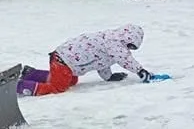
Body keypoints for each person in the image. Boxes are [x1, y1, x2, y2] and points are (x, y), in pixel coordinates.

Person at [16, 24, 160, 96]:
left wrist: (108, 77)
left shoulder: (109, 42)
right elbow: (124, 59)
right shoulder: (114, 43)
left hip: (64, 60)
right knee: (58, 87)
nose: (129, 50)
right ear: (127, 39)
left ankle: (31, 74)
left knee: (71, 80)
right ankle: (20, 86)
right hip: (64, 60)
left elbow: (102, 62)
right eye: (130, 46)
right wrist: (141, 71)